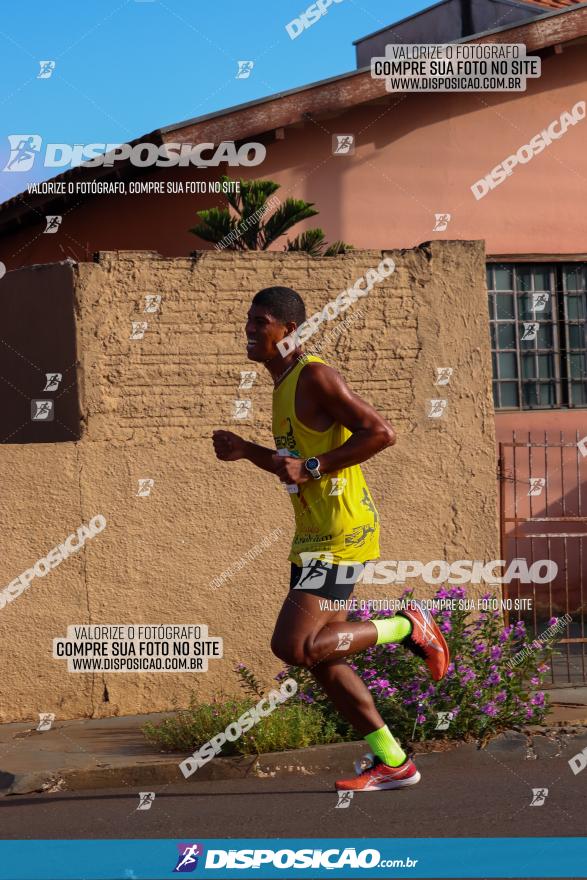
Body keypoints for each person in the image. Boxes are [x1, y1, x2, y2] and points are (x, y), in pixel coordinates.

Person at [212, 286, 449, 791]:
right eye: (249, 322)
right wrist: (246, 450)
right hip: (313, 535)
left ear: (288, 330)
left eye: (261, 322)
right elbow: (292, 467)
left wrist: (315, 464)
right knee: (322, 658)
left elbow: (380, 432)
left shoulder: (313, 376)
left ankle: (407, 627)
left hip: (340, 533)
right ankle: (394, 761)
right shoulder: (281, 386)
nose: (250, 331)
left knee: (293, 646)